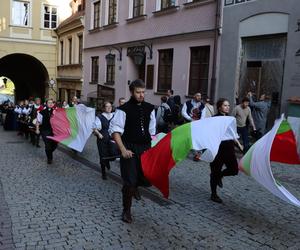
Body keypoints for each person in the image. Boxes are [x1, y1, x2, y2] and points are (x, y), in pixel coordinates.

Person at [109, 79, 156, 223]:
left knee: (148, 179)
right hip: (129, 147)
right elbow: (115, 132)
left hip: (145, 147)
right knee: (129, 182)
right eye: (138, 92)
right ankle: (126, 211)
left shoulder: (150, 108)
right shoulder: (123, 110)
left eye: (143, 92)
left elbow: (152, 131)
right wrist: (123, 149)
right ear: (131, 92)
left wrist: (153, 149)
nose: (141, 95)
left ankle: (135, 186)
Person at [210, 98, 242, 203]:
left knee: (234, 170)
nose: (227, 107)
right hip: (218, 149)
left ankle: (220, 175)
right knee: (215, 171)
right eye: (225, 105)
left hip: (229, 147)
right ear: (219, 107)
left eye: (228, 105)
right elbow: (210, 133)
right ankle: (213, 194)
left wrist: (238, 143)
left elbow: (232, 133)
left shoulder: (230, 119)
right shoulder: (214, 119)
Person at [93, 101, 119, 180]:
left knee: (114, 154)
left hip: (112, 139)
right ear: (104, 108)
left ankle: (107, 162)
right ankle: (103, 173)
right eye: (107, 106)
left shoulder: (114, 116)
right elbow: (94, 128)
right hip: (102, 139)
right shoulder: (100, 117)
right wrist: (99, 134)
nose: (109, 108)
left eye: (110, 106)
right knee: (103, 156)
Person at [182, 93, 205, 161]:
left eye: (200, 96)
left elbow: (203, 115)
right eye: (198, 96)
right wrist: (190, 118)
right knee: (187, 137)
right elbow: (183, 112)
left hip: (197, 124)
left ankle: (197, 154)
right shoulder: (187, 103)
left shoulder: (202, 105)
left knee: (196, 138)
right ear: (194, 96)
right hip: (188, 123)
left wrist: (200, 121)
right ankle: (185, 150)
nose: (199, 97)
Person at [36, 99, 58, 164]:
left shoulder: (55, 112)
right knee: (48, 145)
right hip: (45, 130)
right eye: (49, 102)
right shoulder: (41, 112)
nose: (50, 104)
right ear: (46, 103)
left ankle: (49, 152)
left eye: (52, 102)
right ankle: (49, 158)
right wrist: (37, 129)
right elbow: (38, 121)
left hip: (54, 131)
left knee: (54, 145)